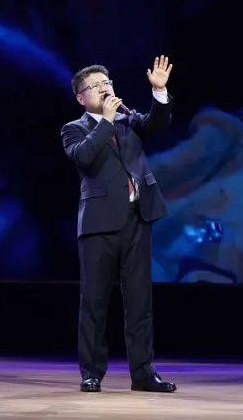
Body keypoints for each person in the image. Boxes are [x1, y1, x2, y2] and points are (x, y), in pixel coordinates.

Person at [60, 55, 177, 393]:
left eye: (106, 83)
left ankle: (143, 373)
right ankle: (91, 373)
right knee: (94, 303)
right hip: (98, 225)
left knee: (140, 303)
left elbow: (157, 124)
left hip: (138, 218)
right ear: (81, 97)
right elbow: (84, 156)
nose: (104, 89)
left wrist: (159, 92)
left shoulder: (130, 120)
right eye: (95, 86)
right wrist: (106, 122)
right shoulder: (74, 129)